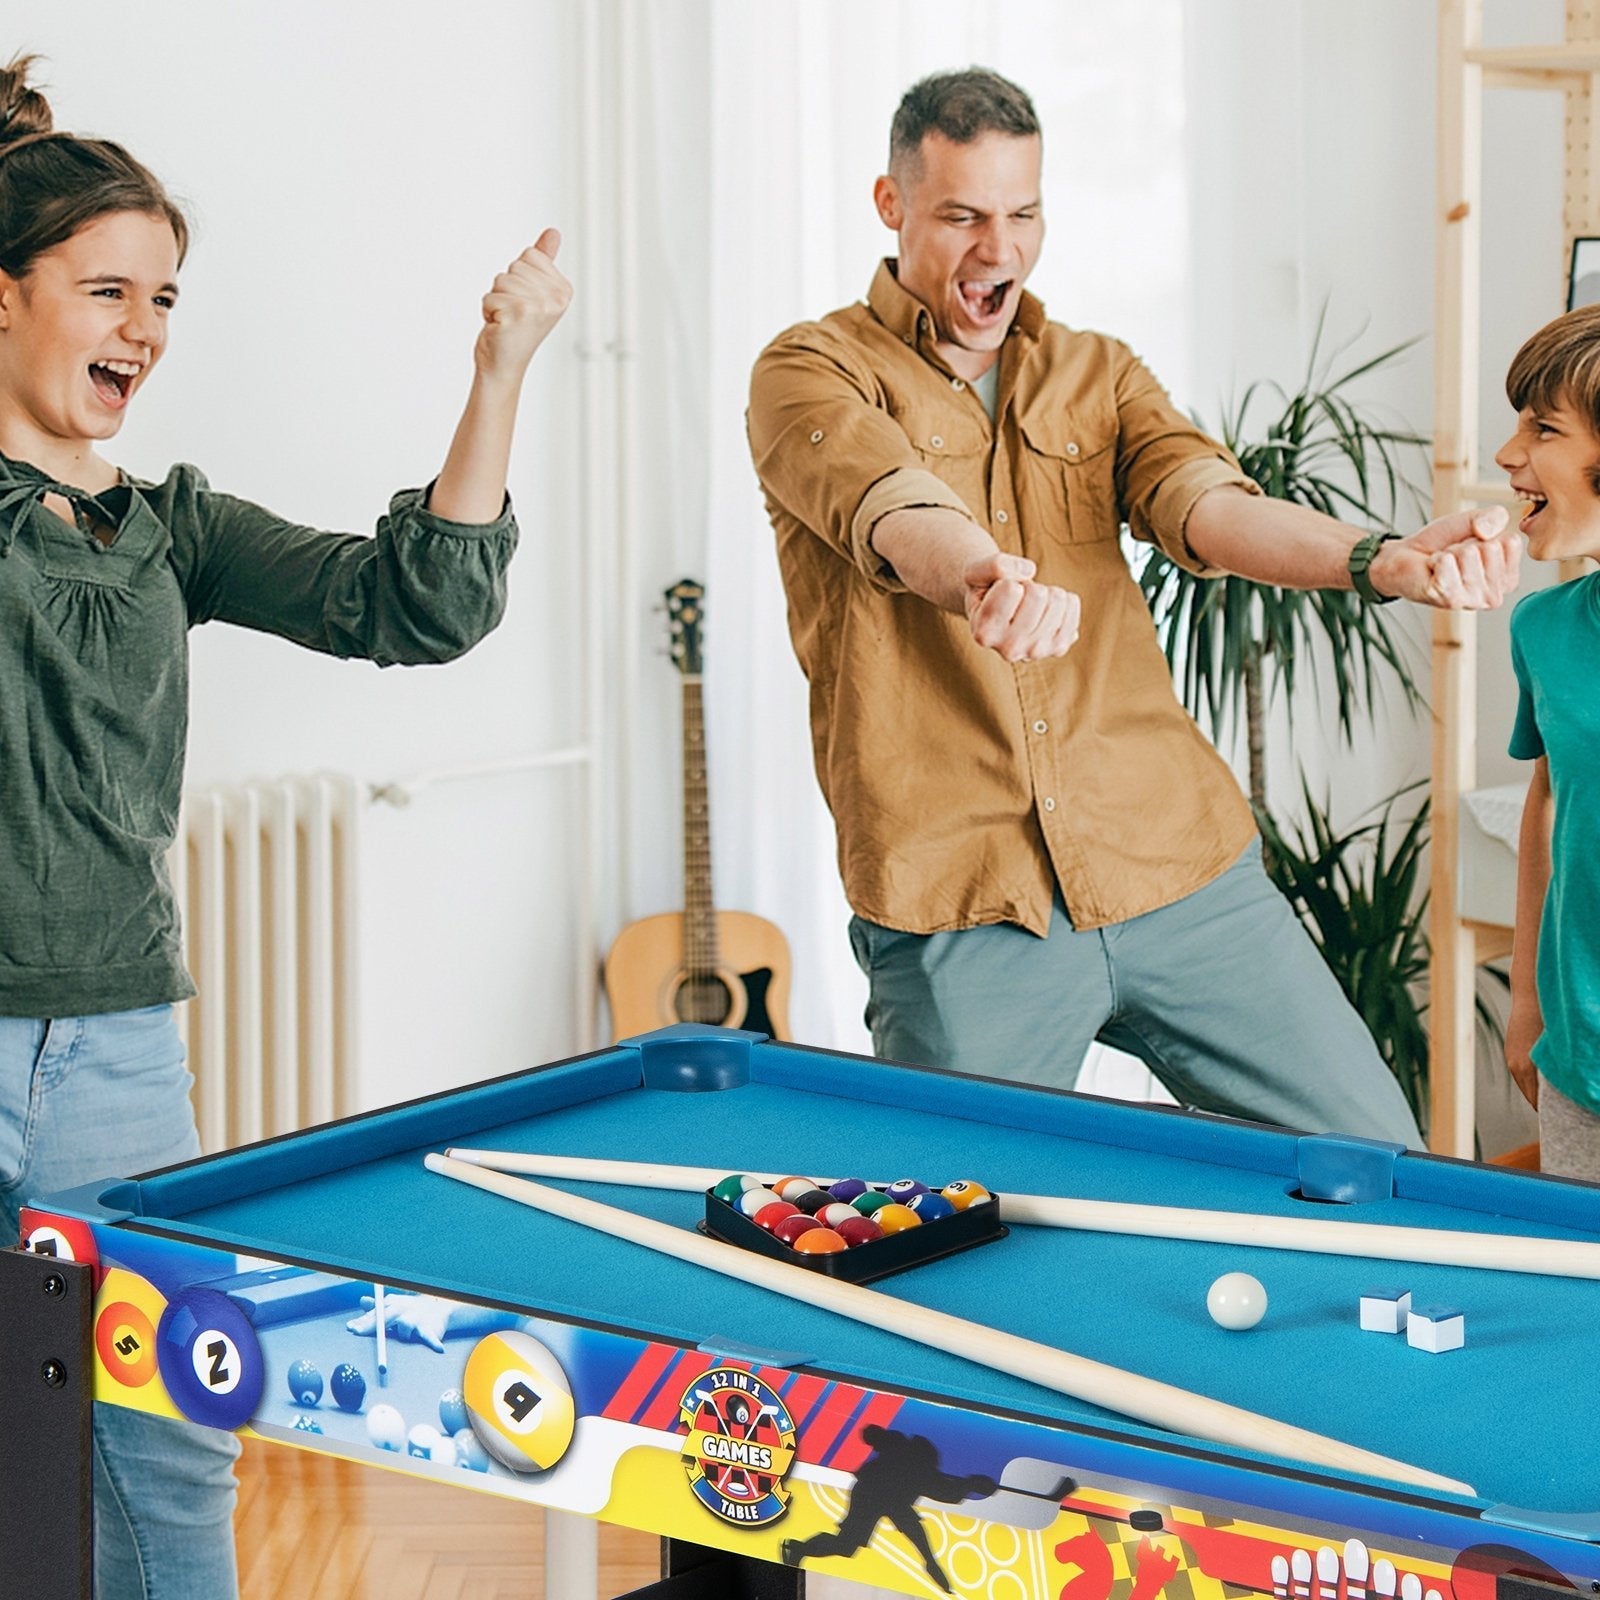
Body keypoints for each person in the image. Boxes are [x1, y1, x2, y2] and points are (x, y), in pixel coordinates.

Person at [0, 55, 571, 1600]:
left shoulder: (170, 525)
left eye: (166, 299)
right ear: (3, 299)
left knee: (167, 1446)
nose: (146, 330)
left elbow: (421, 603)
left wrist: (502, 365)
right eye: (107, 290)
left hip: (110, 1049)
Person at [747, 67, 1522, 1146]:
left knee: (1372, 1154)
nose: (997, 249)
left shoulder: (1094, 372)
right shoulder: (808, 368)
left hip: (1171, 859)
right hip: (966, 901)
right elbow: (887, 503)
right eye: (963, 216)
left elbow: (1205, 505)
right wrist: (981, 573)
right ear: (893, 205)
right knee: (951, 1225)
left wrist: (1381, 558)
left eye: (1021, 215)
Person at [1494, 306, 1600, 1181]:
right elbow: (1549, 798)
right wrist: (1526, 997)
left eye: (1543, 428)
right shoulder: (1543, 628)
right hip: (1581, 1057)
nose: (1508, 454)